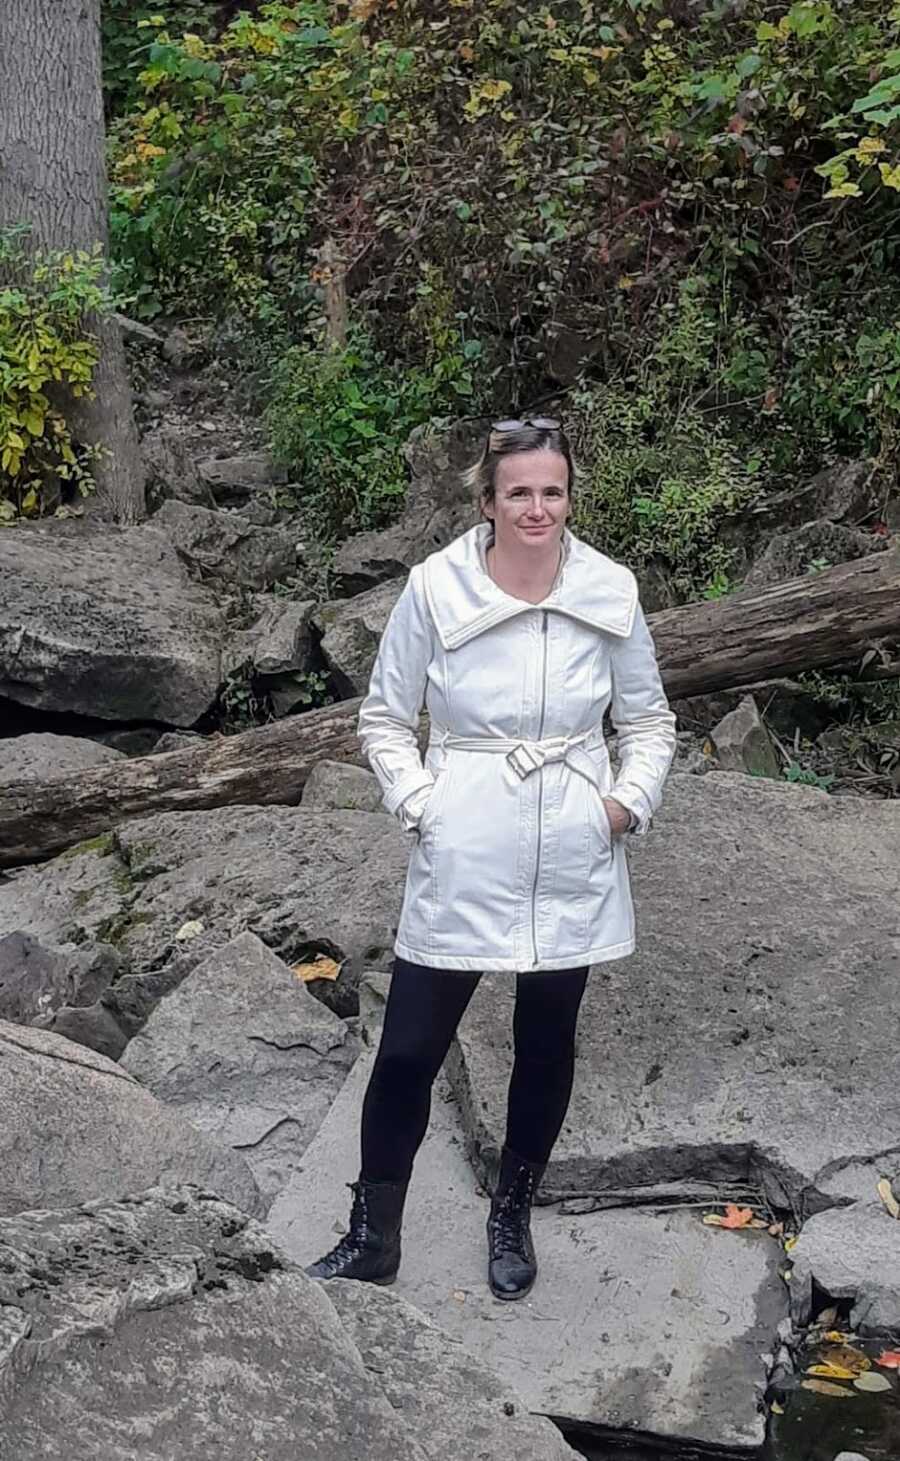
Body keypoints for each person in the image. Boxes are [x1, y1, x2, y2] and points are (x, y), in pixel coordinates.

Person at [306, 417, 677, 1300]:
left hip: (573, 837)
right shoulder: (435, 589)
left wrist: (623, 805)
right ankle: (373, 1234)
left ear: (568, 497)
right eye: (519, 492)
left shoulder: (610, 590)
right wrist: (426, 807)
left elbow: (651, 721)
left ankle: (511, 1212)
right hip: (467, 830)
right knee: (406, 1049)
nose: (537, 507)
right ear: (488, 501)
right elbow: (385, 720)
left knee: (545, 1042)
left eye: (552, 491)